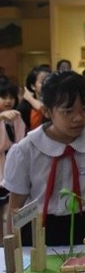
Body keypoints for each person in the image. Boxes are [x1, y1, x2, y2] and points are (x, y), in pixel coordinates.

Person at [3, 71, 85, 245]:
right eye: (67, 111)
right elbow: (15, 206)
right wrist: (12, 248)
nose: (78, 118)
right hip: (37, 227)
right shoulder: (26, 150)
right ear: (47, 111)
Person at [0, 79, 26, 225]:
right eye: (4, 97)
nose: (8, 101)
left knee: (11, 209)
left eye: (11, 97)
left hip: (11, 167)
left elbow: (20, 142)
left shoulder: (17, 116)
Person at [18, 66, 49, 132]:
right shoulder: (24, 107)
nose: (47, 84)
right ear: (33, 86)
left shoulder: (58, 101)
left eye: (49, 81)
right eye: (43, 82)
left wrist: (29, 98)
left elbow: (43, 108)